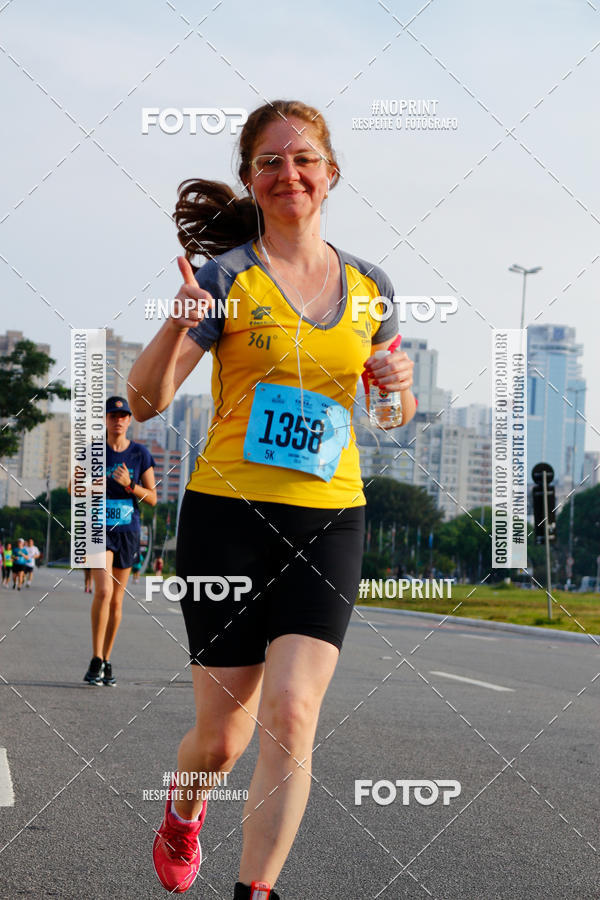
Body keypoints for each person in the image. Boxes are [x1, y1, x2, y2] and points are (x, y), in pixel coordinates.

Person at [129, 99, 416, 899]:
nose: (288, 174)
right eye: (269, 162)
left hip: (329, 518)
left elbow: (392, 414)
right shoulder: (226, 279)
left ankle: (254, 892)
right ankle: (185, 813)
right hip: (227, 519)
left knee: (292, 714)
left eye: (303, 159)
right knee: (221, 742)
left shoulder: (371, 286)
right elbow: (146, 400)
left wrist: (397, 388)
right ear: (250, 180)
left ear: (329, 173)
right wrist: (174, 326)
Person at [82, 397, 157, 686]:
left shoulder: (140, 453)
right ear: (106, 419)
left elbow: (152, 498)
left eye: (123, 415)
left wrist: (129, 485)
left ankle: (107, 659)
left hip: (128, 530)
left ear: (129, 420)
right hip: (99, 529)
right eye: (113, 415)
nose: (119, 420)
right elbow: (71, 487)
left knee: (116, 601)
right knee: (103, 592)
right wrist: (95, 484)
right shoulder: (93, 451)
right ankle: (95, 658)